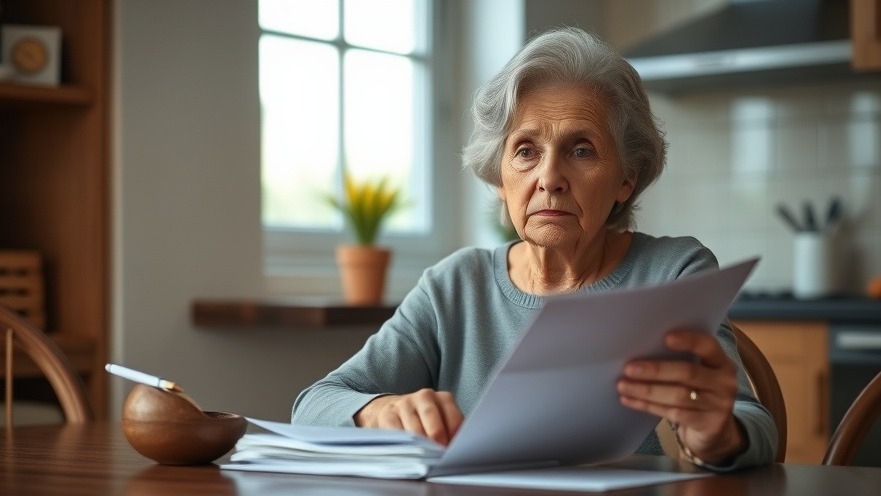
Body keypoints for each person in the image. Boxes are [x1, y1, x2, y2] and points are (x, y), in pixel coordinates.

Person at [293, 26, 777, 471]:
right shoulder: (454, 285)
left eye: (581, 149)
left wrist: (716, 434)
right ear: (500, 178)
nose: (549, 178)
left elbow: (752, 424)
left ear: (625, 179)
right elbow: (314, 404)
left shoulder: (673, 273)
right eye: (526, 151)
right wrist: (380, 410)